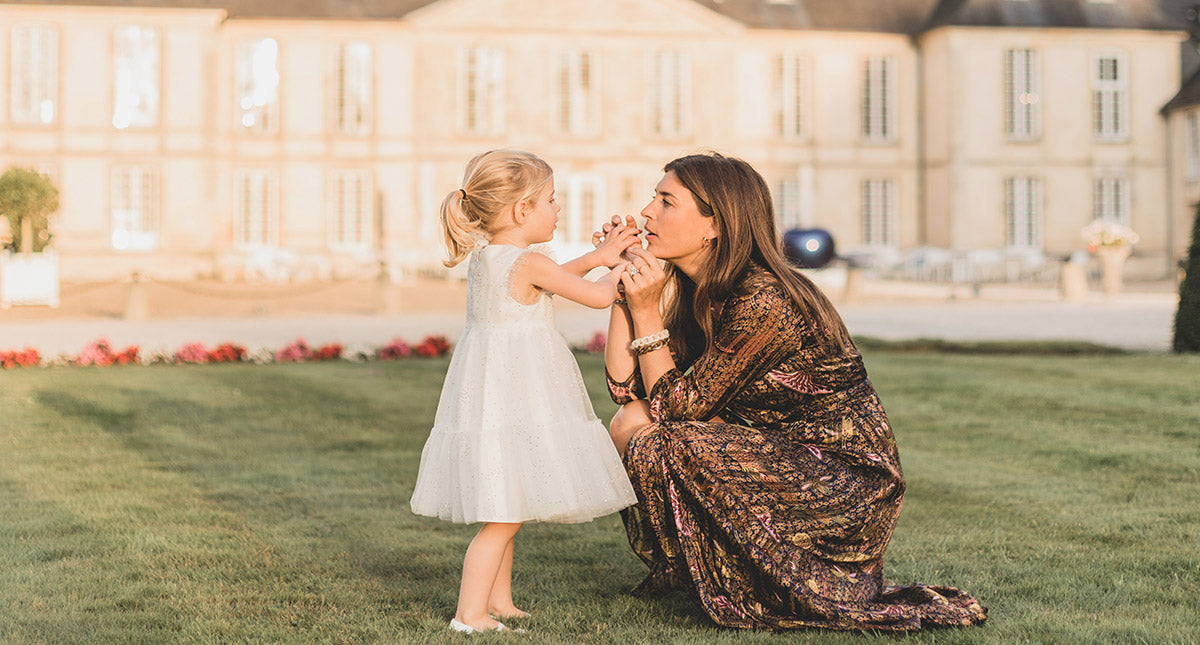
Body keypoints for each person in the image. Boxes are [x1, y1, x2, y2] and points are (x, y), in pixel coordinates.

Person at [598, 151, 987, 631]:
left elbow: (676, 409)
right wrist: (623, 290)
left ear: (714, 224)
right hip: (774, 453)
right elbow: (627, 390)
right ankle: (694, 571)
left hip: (842, 484)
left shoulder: (765, 299)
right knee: (630, 422)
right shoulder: (706, 293)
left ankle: (747, 582)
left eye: (665, 201)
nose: (645, 213)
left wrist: (647, 311)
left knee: (662, 435)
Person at [409, 149, 639, 634]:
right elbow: (598, 296)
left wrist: (599, 257)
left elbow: (548, 281)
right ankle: (470, 614)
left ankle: (501, 600)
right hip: (520, 392)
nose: (558, 210)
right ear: (522, 211)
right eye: (552, 201)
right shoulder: (530, 261)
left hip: (493, 393)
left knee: (504, 498)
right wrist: (630, 264)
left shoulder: (492, 258)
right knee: (503, 517)